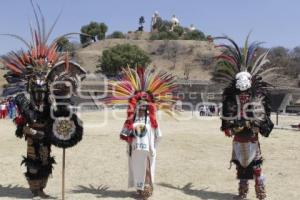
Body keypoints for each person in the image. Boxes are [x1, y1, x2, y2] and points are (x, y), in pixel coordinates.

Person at [3, 3, 85, 199]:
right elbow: (20, 121)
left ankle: (41, 189)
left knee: (46, 161)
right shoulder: (23, 98)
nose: (40, 81)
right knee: (33, 163)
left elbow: (61, 113)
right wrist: (28, 130)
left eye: (43, 76)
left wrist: (65, 120)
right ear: (31, 79)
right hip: (33, 134)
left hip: (46, 133)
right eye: (36, 76)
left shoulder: (52, 97)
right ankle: (35, 189)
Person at [215, 36, 274, 200]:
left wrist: (255, 124)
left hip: (252, 138)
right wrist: (233, 126)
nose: (242, 91)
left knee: (255, 166)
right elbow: (227, 120)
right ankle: (242, 192)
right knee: (241, 166)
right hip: (239, 138)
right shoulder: (231, 100)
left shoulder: (256, 99)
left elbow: (262, 119)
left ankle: (260, 192)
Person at [107, 67, 177, 199]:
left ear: (148, 107)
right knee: (136, 168)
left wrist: (151, 145)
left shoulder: (151, 121)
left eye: (144, 106)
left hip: (146, 150)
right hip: (135, 150)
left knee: (146, 167)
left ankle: (147, 187)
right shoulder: (132, 120)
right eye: (139, 105)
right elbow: (126, 135)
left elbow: (158, 134)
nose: (142, 108)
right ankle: (140, 188)